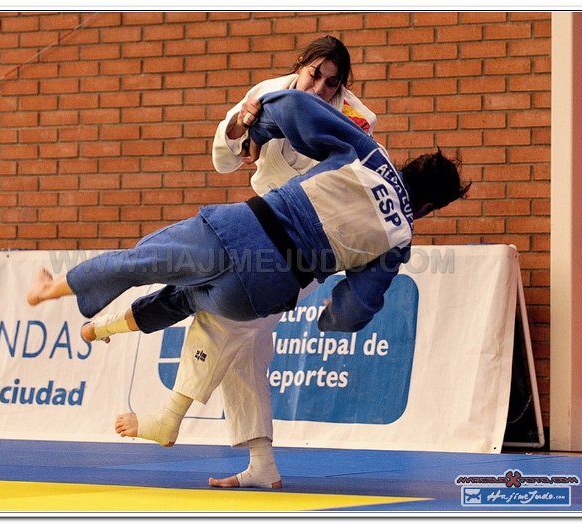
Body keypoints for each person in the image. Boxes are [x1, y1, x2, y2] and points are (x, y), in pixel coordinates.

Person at [27, 90, 470, 471]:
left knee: (141, 262)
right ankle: (117, 349)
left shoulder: (371, 155)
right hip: (263, 292)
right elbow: (359, 305)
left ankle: (55, 289)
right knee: (191, 304)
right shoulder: (400, 239)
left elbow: (297, 107)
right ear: (432, 206)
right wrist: (331, 319)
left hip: (241, 233)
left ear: (411, 166)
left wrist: (259, 129)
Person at [176, 35, 380, 490]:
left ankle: (170, 412)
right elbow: (227, 158)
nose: (322, 88)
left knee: (234, 314)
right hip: (266, 221)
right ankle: (261, 463)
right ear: (301, 65)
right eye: (315, 74)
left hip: (316, 234)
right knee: (248, 349)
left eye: (333, 82)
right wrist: (241, 129)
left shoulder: (356, 118)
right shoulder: (267, 93)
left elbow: (349, 177)